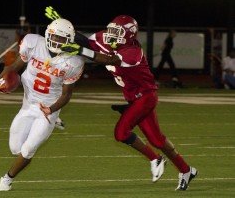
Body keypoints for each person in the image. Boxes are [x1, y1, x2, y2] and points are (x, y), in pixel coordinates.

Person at [60, 15, 197, 191]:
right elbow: (87, 42)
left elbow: (109, 60)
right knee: (157, 140)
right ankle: (186, 170)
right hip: (135, 99)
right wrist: (64, 26)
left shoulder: (133, 52)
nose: (110, 35)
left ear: (129, 35)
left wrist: (79, 50)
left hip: (146, 97)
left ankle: (155, 159)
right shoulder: (107, 38)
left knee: (121, 133)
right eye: (111, 30)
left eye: (117, 32)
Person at [0, 18, 84, 191]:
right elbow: (14, 66)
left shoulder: (73, 62)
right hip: (28, 104)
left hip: (48, 110)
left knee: (27, 150)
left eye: (61, 39)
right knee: (15, 148)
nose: (56, 41)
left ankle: (7, 179)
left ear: (69, 41)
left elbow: (67, 94)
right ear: (47, 34)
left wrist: (52, 110)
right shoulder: (33, 43)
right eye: (54, 37)